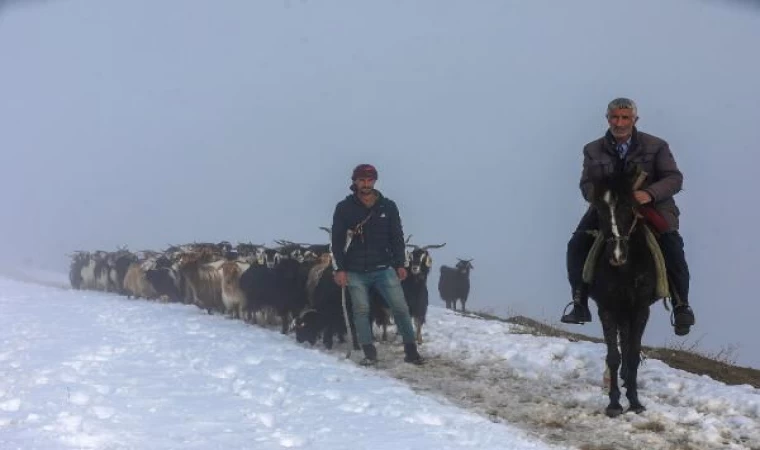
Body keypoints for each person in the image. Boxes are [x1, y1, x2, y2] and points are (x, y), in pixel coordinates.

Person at [561, 98, 696, 336]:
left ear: (635, 120)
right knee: (577, 244)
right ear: (608, 119)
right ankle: (579, 302)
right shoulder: (592, 149)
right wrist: (602, 198)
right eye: (615, 117)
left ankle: (681, 305)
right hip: (608, 208)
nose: (620, 123)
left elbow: (674, 178)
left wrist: (648, 193)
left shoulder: (657, 145)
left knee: (671, 244)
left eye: (625, 118)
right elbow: (586, 183)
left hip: (649, 207)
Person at [331, 164, 425, 365]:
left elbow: (396, 237)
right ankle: (369, 353)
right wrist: (339, 268)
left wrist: (401, 264)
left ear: (374, 181)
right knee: (361, 311)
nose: (366, 184)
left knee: (400, 308)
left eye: (369, 180)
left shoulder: (388, 206)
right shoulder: (344, 208)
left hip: (384, 267)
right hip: (355, 270)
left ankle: (411, 351)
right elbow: (337, 241)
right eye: (362, 180)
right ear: (355, 181)